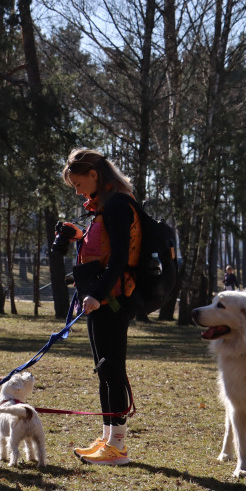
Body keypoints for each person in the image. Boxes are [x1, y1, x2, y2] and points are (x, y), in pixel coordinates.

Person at [62, 148, 140, 466]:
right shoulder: (104, 206)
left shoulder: (118, 204)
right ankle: (108, 438)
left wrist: (98, 294)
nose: (78, 191)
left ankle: (118, 447)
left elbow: (119, 258)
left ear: (94, 175)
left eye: (79, 184)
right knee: (104, 370)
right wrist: (79, 236)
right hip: (100, 299)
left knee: (113, 370)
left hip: (113, 300)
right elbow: (104, 249)